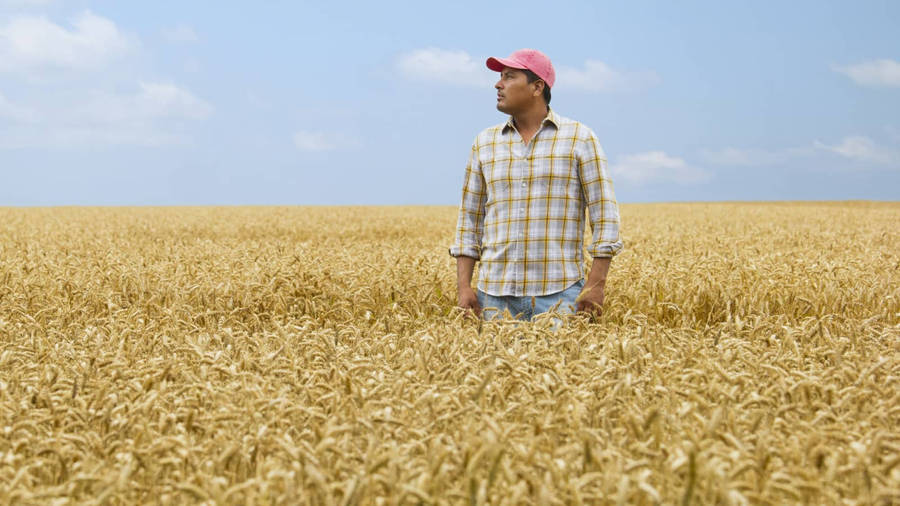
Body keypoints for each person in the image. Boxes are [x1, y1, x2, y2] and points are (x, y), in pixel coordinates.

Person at [449, 48, 623, 321]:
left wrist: (595, 285)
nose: (498, 84)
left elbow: (605, 217)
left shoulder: (580, 138)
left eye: (509, 77)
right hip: (493, 297)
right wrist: (463, 287)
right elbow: (469, 220)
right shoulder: (484, 142)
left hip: (560, 295)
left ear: (537, 87)